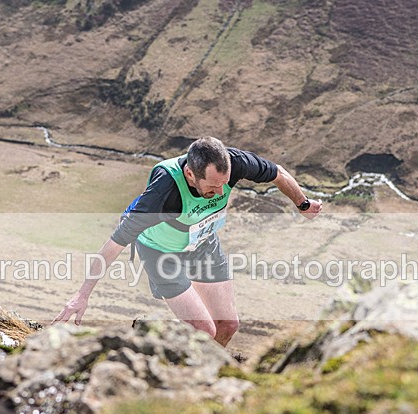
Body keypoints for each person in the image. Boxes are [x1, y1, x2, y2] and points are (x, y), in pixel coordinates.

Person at [52, 136, 322, 346]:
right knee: (203, 330)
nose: (220, 192)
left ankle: (204, 384)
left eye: (224, 184)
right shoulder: (163, 191)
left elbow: (279, 173)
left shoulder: (235, 162)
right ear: (191, 175)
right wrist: (82, 295)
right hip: (161, 253)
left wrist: (302, 203)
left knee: (227, 326)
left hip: (202, 244)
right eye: (212, 187)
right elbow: (114, 243)